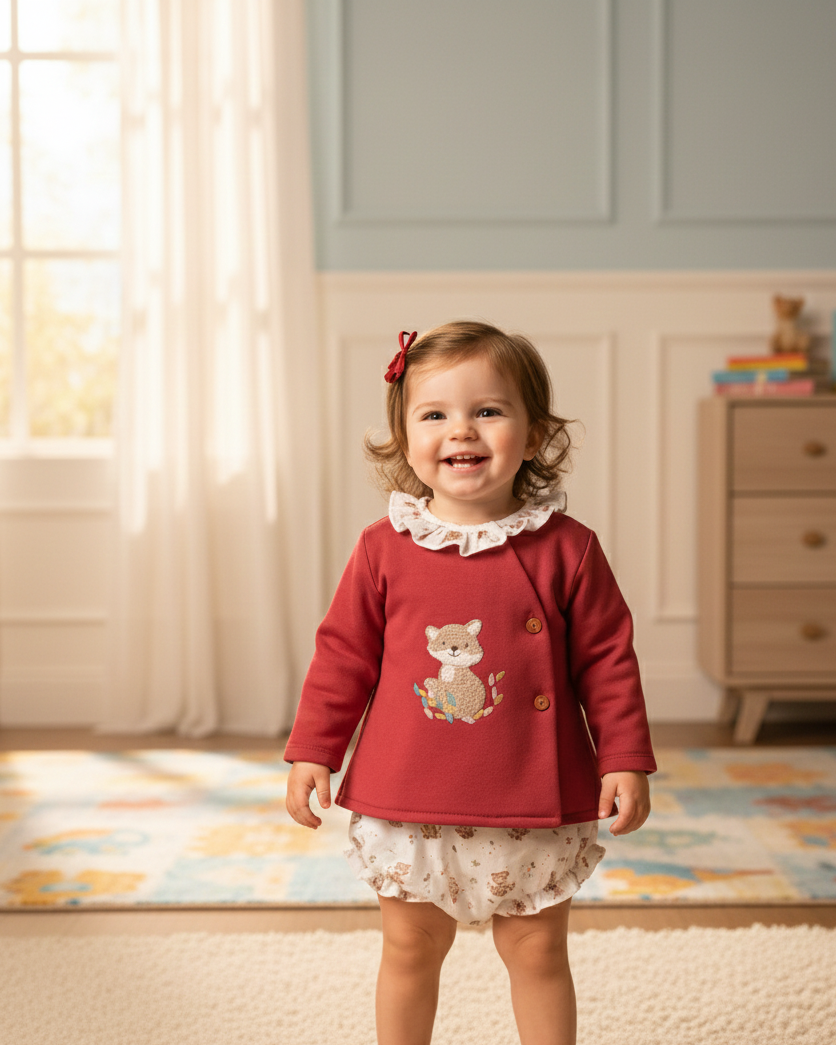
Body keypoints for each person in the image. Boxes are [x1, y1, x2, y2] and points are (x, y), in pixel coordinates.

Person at [284, 320, 656, 1045]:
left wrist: (623, 757)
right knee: (410, 949)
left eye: (487, 410)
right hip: (409, 802)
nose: (462, 430)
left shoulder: (570, 549)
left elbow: (609, 660)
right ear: (405, 438)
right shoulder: (382, 548)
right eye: (435, 414)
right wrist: (313, 749)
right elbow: (342, 657)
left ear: (535, 433)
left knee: (538, 953)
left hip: (534, 802)